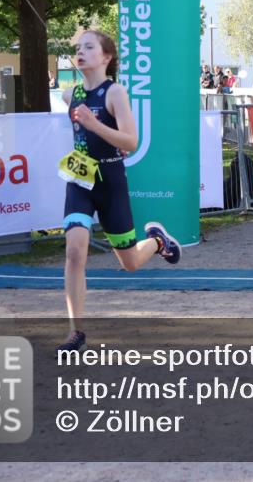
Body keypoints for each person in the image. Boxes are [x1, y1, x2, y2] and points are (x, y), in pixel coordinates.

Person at [57, 30, 181, 354]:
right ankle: (76, 332)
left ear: (106, 57)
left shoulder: (115, 93)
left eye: (89, 47)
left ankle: (157, 242)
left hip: (111, 181)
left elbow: (131, 142)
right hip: (80, 180)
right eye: (78, 48)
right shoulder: (70, 95)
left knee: (129, 263)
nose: (80, 52)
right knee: (74, 250)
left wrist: (94, 124)